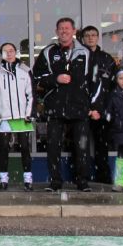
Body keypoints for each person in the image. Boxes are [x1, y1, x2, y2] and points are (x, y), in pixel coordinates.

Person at [33, 17, 101, 192]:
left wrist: (94, 106)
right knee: (53, 147)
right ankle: (55, 182)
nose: (64, 31)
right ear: (56, 32)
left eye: (67, 28)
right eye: (61, 28)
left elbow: (95, 81)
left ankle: (82, 181)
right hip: (55, 108)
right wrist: (55, 79)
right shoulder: (48, 52)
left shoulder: (86, 53)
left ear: (74, 31)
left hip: (80, 107)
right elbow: (37, 78)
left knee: (82, 147)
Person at [0, 42, 34, 191]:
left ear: (16, 52)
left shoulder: (25, 70)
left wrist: (29, 114)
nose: (9, 53)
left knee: (25, 148)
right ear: (1, 54)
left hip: (22, 117)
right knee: (3, 148)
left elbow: (31, 94)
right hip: (4, 117)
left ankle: (28, 180)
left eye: (11, 50)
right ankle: (3, 180)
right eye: (5, 51)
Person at [81, 25, 118, 183]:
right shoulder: (78, 56)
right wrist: (87, 108)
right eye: (87, 35)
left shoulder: (107, 59)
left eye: (93, 35)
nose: (90, 38)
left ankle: (103, 175)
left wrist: (104, 108)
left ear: (98, 37)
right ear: (83, 38)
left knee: (102, 144)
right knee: (81, 145)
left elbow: (113, 85)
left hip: (101, 109)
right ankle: (81, 176)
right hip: (81, 108)